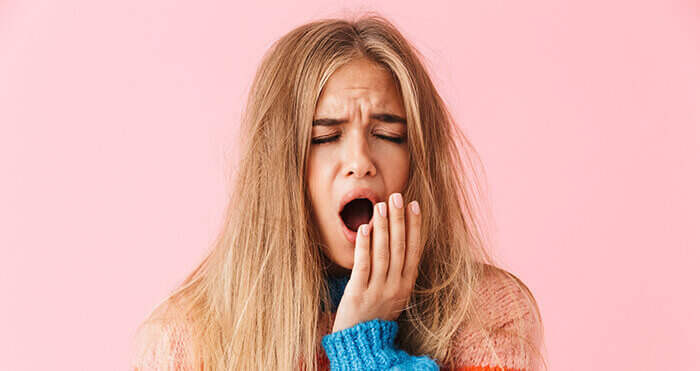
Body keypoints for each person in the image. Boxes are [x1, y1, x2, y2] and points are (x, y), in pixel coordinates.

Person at [130, 11, 547, 370]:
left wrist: (365, 350)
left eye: (388, 134)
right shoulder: (184, 339)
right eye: (326, 137)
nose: (360, 161)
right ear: (279, 168)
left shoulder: (489, 315)